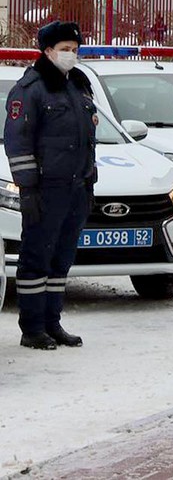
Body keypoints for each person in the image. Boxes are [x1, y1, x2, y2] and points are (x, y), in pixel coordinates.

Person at [4, 21, 97, 349]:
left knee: (61, 259)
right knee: (37, 259)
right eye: (64, 49)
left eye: (74, 49)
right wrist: (28, 188)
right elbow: (18, 143)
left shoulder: (78, 85)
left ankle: (52, 321)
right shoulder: (31, 89)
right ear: (47, 51)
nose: (71, 55)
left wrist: (90, 179)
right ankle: (32, 328)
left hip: (75, 188)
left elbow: (87, 139)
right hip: (46, 189)